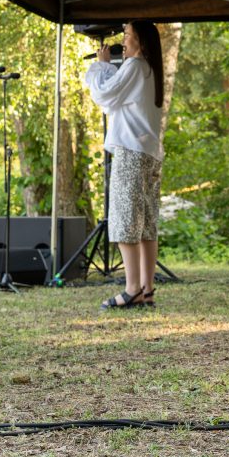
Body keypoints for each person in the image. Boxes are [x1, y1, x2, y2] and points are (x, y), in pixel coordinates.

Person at [85, 20, 165, 310]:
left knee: (125, 219)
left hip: (131, 151)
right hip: (150, 152)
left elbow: (105, 94)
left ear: (141, 42)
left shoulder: (134, 67)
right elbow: (117, 101)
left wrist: (101, 66)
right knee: (146, 223)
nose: (123, 39)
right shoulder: (151, 70)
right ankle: (147, 290)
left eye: (128, 35)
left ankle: (132, 289)